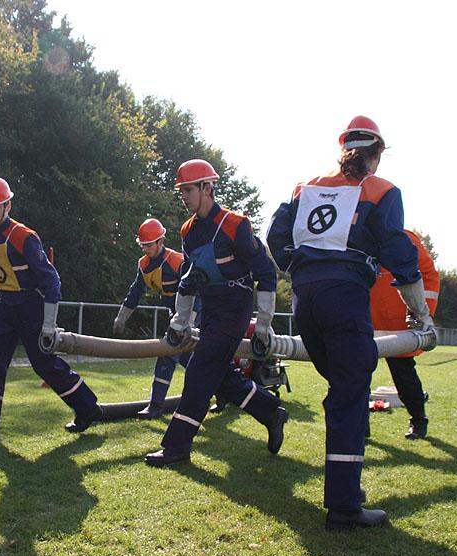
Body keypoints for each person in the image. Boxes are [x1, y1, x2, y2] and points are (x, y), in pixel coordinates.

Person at [267, 116, 431, 530]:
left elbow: (274, 235)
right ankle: (343, 506)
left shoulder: (306, 187)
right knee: (349, 395)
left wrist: (302, 269)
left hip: (307, 301)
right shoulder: (382, 191)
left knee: (343, 387)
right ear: (375, 155)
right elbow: (400, 254)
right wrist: (420, 312)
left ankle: (347, 492)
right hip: (345, 300)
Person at [144, 159, 289, 467]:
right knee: (219, 374)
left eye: (188, 190)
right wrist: (180, 321)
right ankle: (270, 410)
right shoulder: (188, 230)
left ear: (207, 189)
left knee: (198, 370)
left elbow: (265, 273)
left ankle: (176, 447)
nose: (182, 196)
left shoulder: (236, 224)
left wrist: (262, 327)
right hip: (210, 310)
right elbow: (188, 277)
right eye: (181, 190)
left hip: (235, 308)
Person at [0, 176, 103, 438]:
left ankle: (88, 407)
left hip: (31, 306)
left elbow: (51, 281)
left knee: (44, 364)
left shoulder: (24, 236)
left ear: (8, 206)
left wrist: (48, 323)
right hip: (7, 304)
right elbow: (2, 267)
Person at [113, 218, 200, 418]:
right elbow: (135, 293)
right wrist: (121, 318)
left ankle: (155, 406)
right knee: (190, 359)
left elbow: (197, 292)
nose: (145, 249)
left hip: (196, 312)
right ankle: (224, 389)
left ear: (161, 241)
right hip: (175, 314)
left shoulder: (178, 261)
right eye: (142, 245)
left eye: (149, 245)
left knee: (168, 353)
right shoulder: (143, 265)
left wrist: (189, 322)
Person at [370, 230, 440, 439]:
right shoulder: (357, 235)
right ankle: (359, 424)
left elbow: (428, 275)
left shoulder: (404, 239)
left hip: (399, 322)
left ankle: (418, 420)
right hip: (368, 319)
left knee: (404, 376)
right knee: (356, 376)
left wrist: (420, 313)